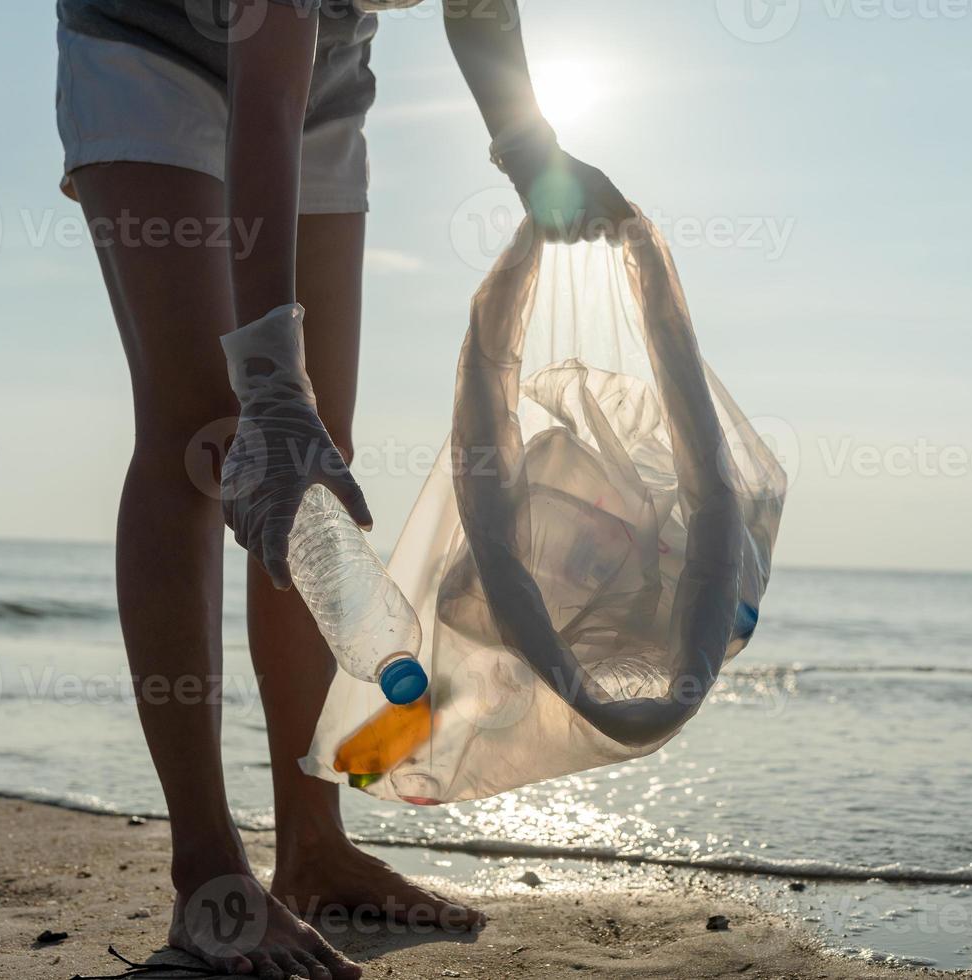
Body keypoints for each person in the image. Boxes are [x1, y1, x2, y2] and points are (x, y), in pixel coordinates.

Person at [53, 0, 630, 976]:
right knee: (209, 432)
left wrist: (528, 146)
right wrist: (271, 381)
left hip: (322, 74)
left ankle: (311, 844)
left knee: (317, 456)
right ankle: (208, 872)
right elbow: (262, 91)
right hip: (150, 36)